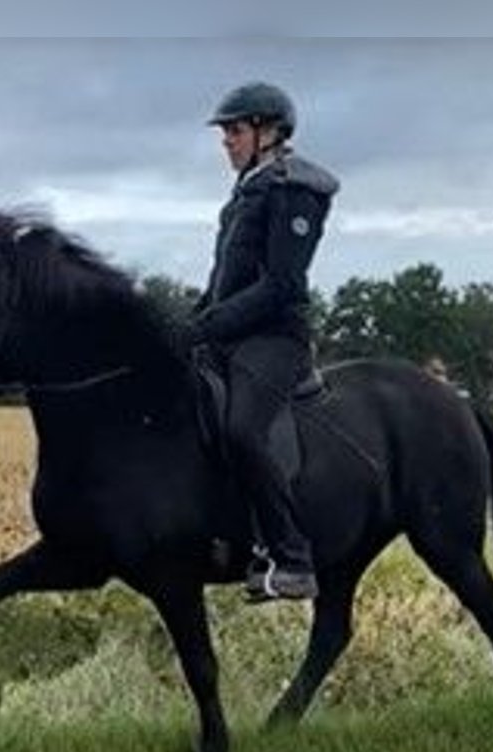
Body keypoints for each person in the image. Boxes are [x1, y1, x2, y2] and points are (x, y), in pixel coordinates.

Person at [186, 81, 339, 602]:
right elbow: (222, 277)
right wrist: (186, 325)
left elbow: (280, 286)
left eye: (234, 129)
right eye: (225, 132)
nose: (225, 140)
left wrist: (208, 325)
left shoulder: (295, 189)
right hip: (229, 335)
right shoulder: (248, 187)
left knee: (243, 431)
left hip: (275, 338)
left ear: (269, 132)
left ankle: (292, 558)